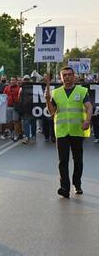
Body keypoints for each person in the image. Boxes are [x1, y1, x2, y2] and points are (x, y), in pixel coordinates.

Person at [45, 66, 93, 198]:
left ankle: (77, 184)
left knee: (78, 160)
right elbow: (52, 112)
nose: (67, 77)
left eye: (69, 74)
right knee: (63, 161)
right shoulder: (56, 93)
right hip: (61, 132)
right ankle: (64, 187)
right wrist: (47, 100)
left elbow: (89, 107)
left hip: (77, 130)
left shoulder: (82, 91)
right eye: (64, 75)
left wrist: (87, 121)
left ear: (74, 76)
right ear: (61, 77)